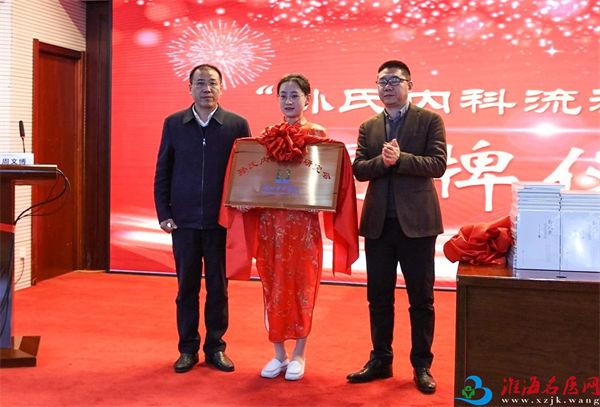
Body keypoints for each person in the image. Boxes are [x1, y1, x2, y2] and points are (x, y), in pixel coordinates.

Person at [219, 74, 358, 381]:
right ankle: (278, 353)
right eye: (283, 95)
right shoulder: (267, 135)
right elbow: (256, 179)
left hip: (303, 227)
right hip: (270, 224)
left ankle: (299, 354)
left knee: (302, 288)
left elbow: (325, 180)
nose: (289, 101)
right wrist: (245, 198)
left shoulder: (317, 134)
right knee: (273, 287)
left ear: (308, 99)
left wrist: (320, 200)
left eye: (295, 95)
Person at [346, 60, 447, 394]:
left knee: (421, 299)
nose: (387, 87)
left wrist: (400, 160)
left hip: (418, 225)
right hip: (379, 225)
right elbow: (360, 168)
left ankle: (422, 365)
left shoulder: (429, 120)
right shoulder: (369, 126)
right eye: (382, 82)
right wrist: (383, 161)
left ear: (409, 85)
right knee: (378, 297)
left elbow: (438, 164)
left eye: (394, 80)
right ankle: (380, 360)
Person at [154, 64, 251, 374]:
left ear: (221, 87)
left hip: (220, 222)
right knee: (186, 288)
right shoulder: (174, 123)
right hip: (183, 222)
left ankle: (216, 348)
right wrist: (164, 213)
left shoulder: (236, 124)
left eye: (212, 83)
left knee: (219, 288)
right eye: (200, 83)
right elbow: (163, 170)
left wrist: (240, 213)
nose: (206, 89)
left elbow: (247, 172)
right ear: (190, 88)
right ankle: (187, 349)